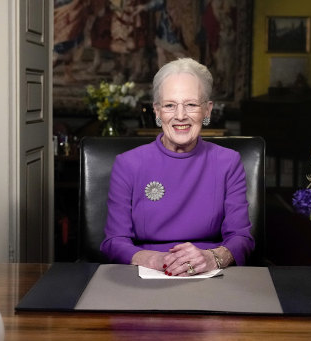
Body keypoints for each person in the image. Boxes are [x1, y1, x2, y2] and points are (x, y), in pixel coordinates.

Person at [100, 57, 254, 276]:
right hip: (145, 275)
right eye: (170, 105)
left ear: (207, 110)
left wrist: (212, 258)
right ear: (157, 111)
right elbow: (114, 241)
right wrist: (157, 260)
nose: (180, 116)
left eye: (191, 104)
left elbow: (242, 238)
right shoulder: (128, 164)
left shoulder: (228, 162)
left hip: (209, 276)